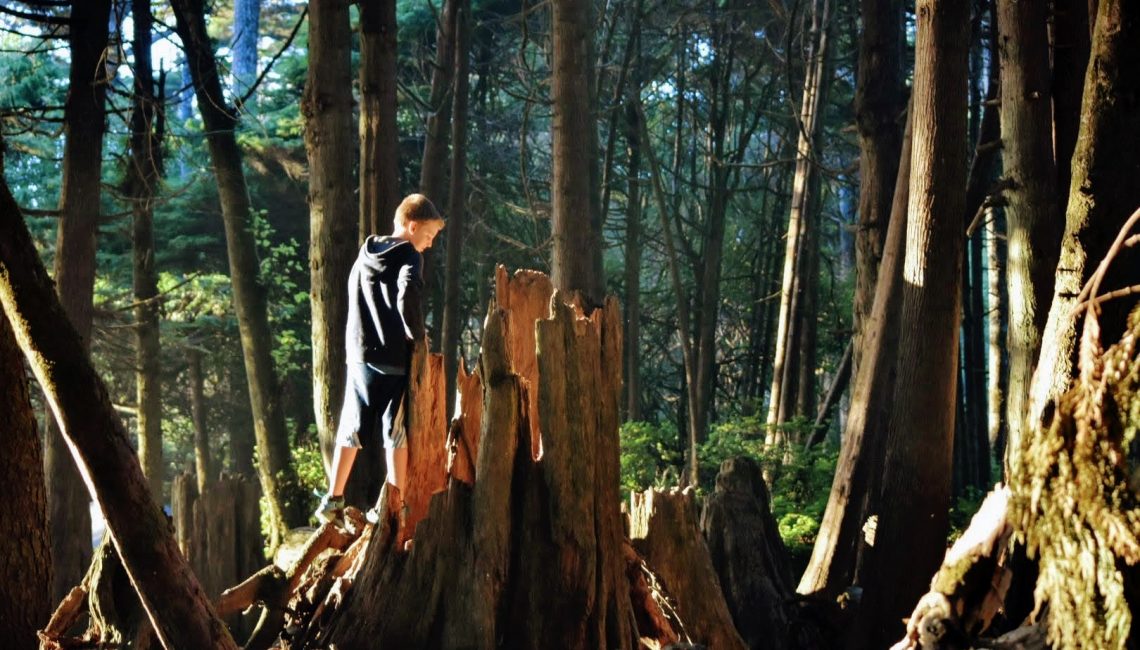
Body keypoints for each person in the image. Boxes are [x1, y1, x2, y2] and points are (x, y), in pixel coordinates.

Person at [314, 193, 445, 524]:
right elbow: (407, 295)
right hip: (392, 359)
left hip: (358, 356)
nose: (428, 245)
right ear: (412, 226)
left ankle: (333, 497)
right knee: (395, 429)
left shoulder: (365, 254)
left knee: (351, 427)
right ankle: (395, 506)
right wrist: (416, 334)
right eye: (428, 236)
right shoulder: (410, 257)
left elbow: (354, 293)